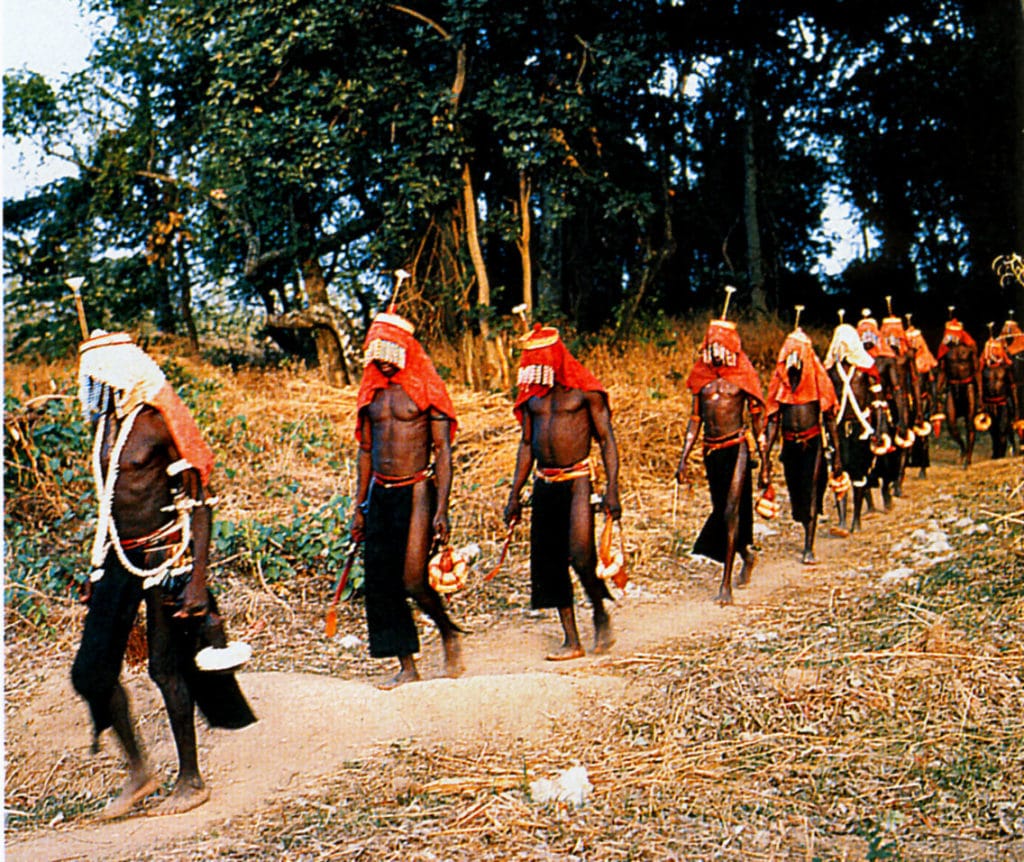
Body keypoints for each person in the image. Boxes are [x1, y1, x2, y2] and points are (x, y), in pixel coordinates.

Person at [72, 331, 256, 820]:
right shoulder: (104, 427)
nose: (92, 386)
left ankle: (191, 779)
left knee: (166, 668)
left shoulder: (157, 424)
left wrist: (197, 579)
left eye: (98, 376)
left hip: (163, 557)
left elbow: (199, 503)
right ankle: (139, 771)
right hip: (118, 557)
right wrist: (98, 563)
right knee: (91, 672)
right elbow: (111, 499)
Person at [351, 309, 464, 689]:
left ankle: (449, 631)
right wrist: (359, 507)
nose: (380, 359)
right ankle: (407, 664)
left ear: (401, 349)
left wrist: (442, 508)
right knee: (381, 581)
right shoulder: (372, 393)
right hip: (379, 493)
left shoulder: (426, 389)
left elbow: (443, 452)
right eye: (375, 350)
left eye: (387, 350)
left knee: (413, 579)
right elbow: (365, 451)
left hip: (417, 492)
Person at [503, 323, 621, 659]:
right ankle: (572, 639)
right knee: (549, 561)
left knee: (581, 554)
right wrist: (515, 493)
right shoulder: (532, 399)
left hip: (578, 479)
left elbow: (607, 441)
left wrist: (612, 489)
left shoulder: (585, 392)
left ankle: (599, 610)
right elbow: (526, 444)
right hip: (545, 482)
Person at [676, 313, 765, 604]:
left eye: (718, 345)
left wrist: (765, 463)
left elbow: (757, 421)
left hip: (737, 447)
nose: (713, 351)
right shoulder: (701, 378)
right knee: (722, 510)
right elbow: (694, 420)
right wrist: (683, 459)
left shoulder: (743, 375)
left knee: (729, 511)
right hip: (710, 450)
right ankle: (745, 554)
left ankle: (725, 584)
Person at [760, 318, 842, 564]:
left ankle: (809, 545)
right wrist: (765, 459)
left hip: (812, 445)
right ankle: (804, 522)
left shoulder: (818, 381)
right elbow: (773, 419)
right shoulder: (780, 382)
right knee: (797, 494)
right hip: (789, 446)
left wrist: (837, 456)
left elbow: (829, 419)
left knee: (811, 492)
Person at [824, 321, 879, 534]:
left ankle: (856, 517)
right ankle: (841, 520)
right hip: (837, 429)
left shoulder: (865, 370)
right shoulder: (831, 373)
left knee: (858, 473)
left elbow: (877, 403)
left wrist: (878, 430)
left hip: (860, 428)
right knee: (838, 471)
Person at [857, 310, 904, 509]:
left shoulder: (886, 360)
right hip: (860, 413)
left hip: (882, 410)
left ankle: (886, 490)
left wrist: (901, 417)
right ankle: (868, 501)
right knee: (860, 453)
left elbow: (896, 389)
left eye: (871, 334)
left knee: (886, 454)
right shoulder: (855, 360)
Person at [936, 313, 980, 467]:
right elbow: (942, 372)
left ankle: (968, 456)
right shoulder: (945, 351)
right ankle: (962, 447)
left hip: (968, 387)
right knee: (951, 423)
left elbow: (976, 371)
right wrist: (937, 390)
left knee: (970, 422)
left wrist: (979, 394)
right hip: (952, 386)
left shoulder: (968, 349)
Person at [904, 317, 939, 478]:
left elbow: (931, 383)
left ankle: (923, 466)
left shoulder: (926, 360)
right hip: (906, 400)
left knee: (922, 436)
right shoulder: (904, 361)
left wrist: (933, 403)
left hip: (922, 401)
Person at [978, 328, 1018, 459]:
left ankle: (1000, 455)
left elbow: (1012, 388)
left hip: (1003, 404)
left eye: (997, 349)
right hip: (989, 405)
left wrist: (1016, 408)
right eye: (992, 349)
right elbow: (980, 387)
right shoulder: (983, 369)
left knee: (1002, 430)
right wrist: (981, 404)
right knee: (994, 432)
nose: (995, 351)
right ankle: (997, 453)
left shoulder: (1006, 367)